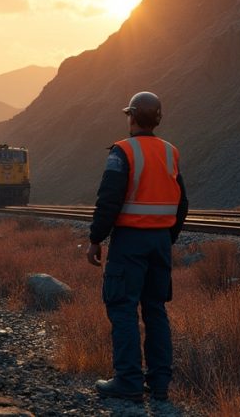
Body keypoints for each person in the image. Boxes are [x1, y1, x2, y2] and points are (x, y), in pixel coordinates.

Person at [85, 91, 188, 401]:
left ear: (131, 117)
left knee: (123, 308)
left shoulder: (122, 152)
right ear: (156, 119)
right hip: (159, 243)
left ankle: (128, 381)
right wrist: (167, 236)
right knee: (155, 309)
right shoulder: (171, 152)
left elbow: (109, 200)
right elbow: (182, 202)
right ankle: (159, 385)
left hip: (129, 243)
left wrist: (95, 238)